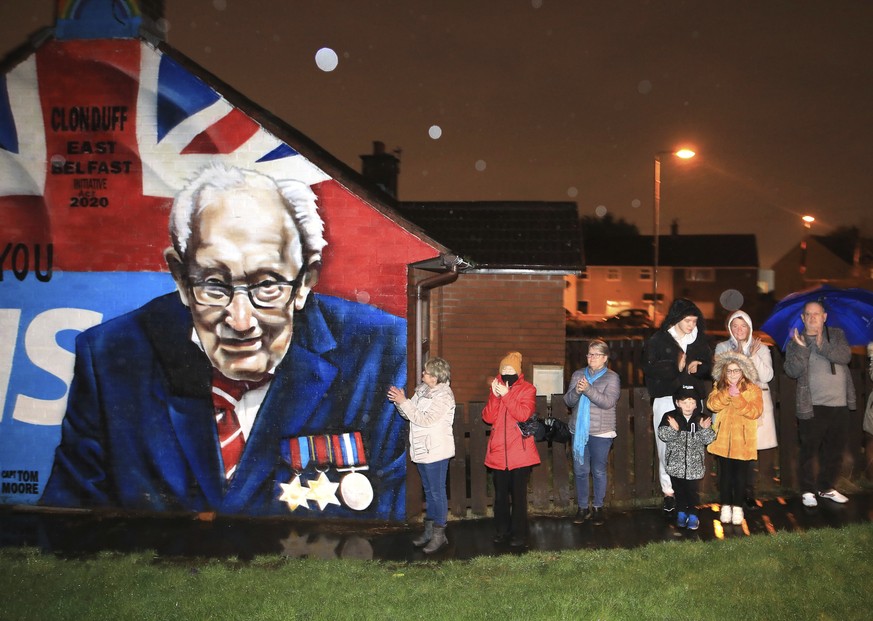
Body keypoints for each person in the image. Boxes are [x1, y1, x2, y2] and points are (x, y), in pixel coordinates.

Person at [40, 164, 408, 520]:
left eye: (267, 285)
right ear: (182, 279)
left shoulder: (383, 354)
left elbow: (392, 524)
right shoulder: (111, 358)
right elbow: (68, 532)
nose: (240, 320)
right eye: (214, 285)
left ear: (306, 282)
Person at [783, 300, 856, 507]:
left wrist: (822, 344)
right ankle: (807, 489)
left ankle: (826, 487)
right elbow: (792, 370)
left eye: (817, 314)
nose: (813, 317)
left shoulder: (837, 334)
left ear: (824, 316)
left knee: (835, 449)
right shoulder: (796, 340)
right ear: (803, 318)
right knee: (809, 449)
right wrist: (804, 349)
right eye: (808, 314)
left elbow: (845, 356)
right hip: (812, 405)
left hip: (839, 403)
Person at [642, 298, 712, 513]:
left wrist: (698, 367)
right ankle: (669, 492)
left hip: (692, 400)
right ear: (677, 319)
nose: (692, 325)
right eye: (688, 320)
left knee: (692, 444)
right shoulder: (660, 340)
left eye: (694, 321)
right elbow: (649, 368)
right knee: (666, 443)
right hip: (666, 397)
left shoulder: (698, 339)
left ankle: (688, 491)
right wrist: (675, 366)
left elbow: (709, 366)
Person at [388, 357, 456, 553]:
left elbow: (425, 420)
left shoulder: (444, 397)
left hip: (436, 451)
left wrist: (404, 402)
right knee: (430, 491)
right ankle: (429, 532)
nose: (422, 375)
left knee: (437, 492)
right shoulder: (423, 391)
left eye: (426, 372)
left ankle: (439, 535)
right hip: (422, 450)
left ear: (435, 377)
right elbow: (408, 415)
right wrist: (401, 402)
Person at [715, 310, 777, 509]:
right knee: (729, 450)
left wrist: (751, 357)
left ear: (749, 327)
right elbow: (720, 375)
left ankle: (747, 493)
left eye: (743, 326)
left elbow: (766, 376)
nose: (739, 330)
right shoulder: (722, 347)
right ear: (730, 328)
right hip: (730, 405)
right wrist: (741, 357)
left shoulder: (761, 348)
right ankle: (728, 494)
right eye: (735, 326)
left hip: (752, 405)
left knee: (749, 450)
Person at [482, 351, 540, 547]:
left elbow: (523, 414)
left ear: (518, 371)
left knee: (518, 496)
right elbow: (488, 418)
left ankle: (519, 534)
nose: (507, 372)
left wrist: (507, 396)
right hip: (499, 453)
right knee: (500, 498)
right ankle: (502, 531)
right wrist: (496, 396)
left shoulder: (528, 389)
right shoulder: (495, 389)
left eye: (510, 369)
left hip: (520, 454)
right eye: (504, 369)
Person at [563, 339, 620, 526]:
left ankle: (597, 507)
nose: (591, 358)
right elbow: (569, 401)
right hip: (578, 431)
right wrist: (578, 392)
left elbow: (607, 402)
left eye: (596, 355)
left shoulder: (612, 377)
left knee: (598, 470)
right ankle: (582, 508)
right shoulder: (578, 374)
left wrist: (588, 390)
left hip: (601, 432)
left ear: (605, 358)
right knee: (580, 470)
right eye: (589, 354)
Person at [707, 352, 764, 525]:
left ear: (744, 372)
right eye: (729, 371)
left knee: (740, 476)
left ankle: (738, 507)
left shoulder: (753, 389)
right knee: (725, 475)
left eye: (737, 371)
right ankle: (725, 506)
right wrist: (726, 394)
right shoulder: (719, 387)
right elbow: (712, 405)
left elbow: (755, 411)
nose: (733, 374)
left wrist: (738, 398)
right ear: (724, 372)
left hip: (743, 441)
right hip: (723, 440)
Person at [657, 384, 715, 530]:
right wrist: (674, 430)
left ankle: (693, 514)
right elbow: (662, 435)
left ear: (697, 403)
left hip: (694, 467)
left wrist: (705, 430)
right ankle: (681, 513)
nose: (688, 406)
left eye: (692, 402)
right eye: (684, 402)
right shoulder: (670, 417)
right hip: (675, 466)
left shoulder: (701, 418)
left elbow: (709, 439)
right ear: (677, 402)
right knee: (679, 491)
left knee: (692, 492)